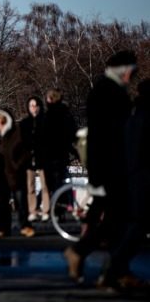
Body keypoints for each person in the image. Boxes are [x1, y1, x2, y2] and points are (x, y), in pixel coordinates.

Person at [64, 50, 137, 287]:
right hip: (111, 168)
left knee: (118, 221)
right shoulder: (109, 92)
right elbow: (104, 138)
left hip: (111, 167)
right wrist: (99, 174)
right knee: (118, 221)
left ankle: (115, 271)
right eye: (132, 71)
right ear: (124, 70)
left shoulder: (106, 90)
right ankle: (82, 252)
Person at [106, 79, 150, 289]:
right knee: (137, 227)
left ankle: (117, 267)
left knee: (135, 226)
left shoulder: (134, 116)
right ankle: (116, 268)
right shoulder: (144, 118)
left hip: (133, 177)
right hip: (141, 178)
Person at [0, 109, 35, 237]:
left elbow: (25, 151)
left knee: (21, 201)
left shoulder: (17, 133)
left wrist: (18, 165)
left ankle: (25, 226)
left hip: (16, 172)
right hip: (1, 174)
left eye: (1, 123)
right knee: (3, 203)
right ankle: (3, 228)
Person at [41, 89, 77, 201]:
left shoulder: (48, 116)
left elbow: (42, 136)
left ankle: (57, 206)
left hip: (49, 155)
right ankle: (64, 204)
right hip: (63, 153)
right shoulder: (67, 114)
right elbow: (72, 134)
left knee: (52, 183)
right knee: (62, 180)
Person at [19, 96, 49, 222]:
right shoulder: (24, 123)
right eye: (31, 105)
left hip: (43, 157)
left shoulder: (46, 121)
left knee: (45, 185)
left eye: (36, 105)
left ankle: (46, 210)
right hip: (28, 159)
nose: (34, 108)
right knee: (30, 186)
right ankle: (33, 210)